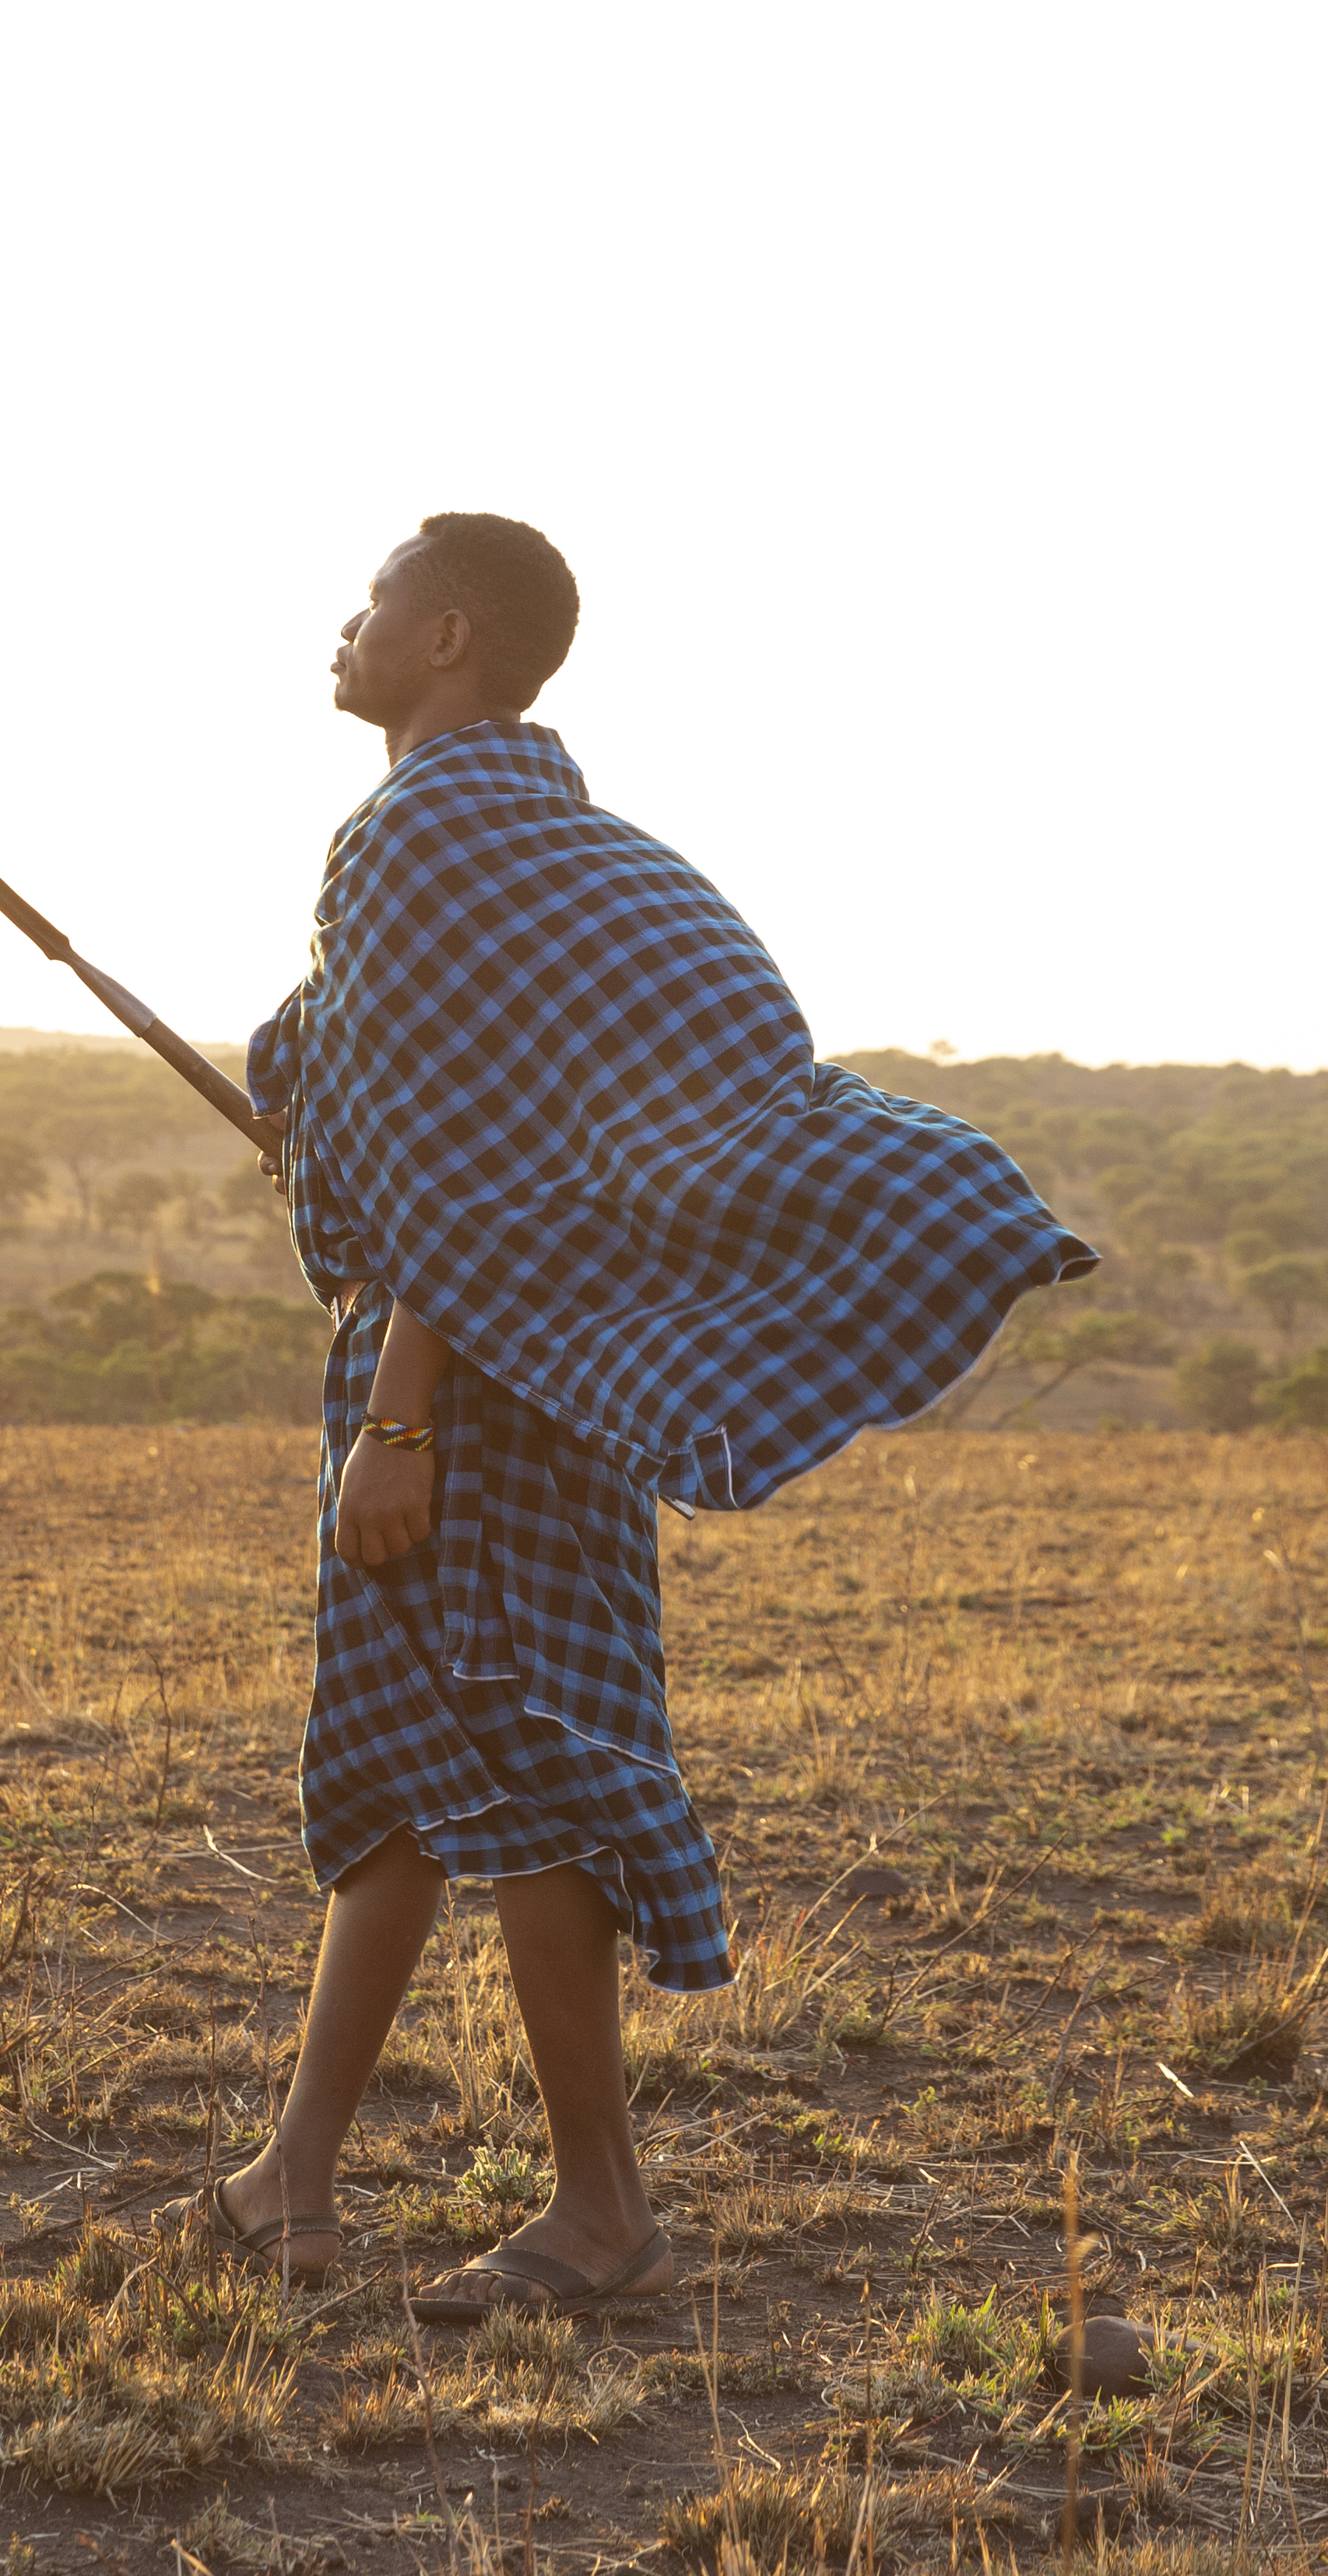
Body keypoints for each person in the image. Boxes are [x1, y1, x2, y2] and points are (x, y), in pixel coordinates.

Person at [195, 511, 1094, 2321]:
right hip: (510, 1359)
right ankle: (292, 2177)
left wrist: (406, 1418)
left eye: (371, 603)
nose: (343, 628)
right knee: (394, 1770)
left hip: (464, 1385)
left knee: (532, 1770)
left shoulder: (426, 839)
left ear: (446, 637)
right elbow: (432, 1104)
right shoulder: (560, 849)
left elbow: (467, 1173)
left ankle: (603, 2217)